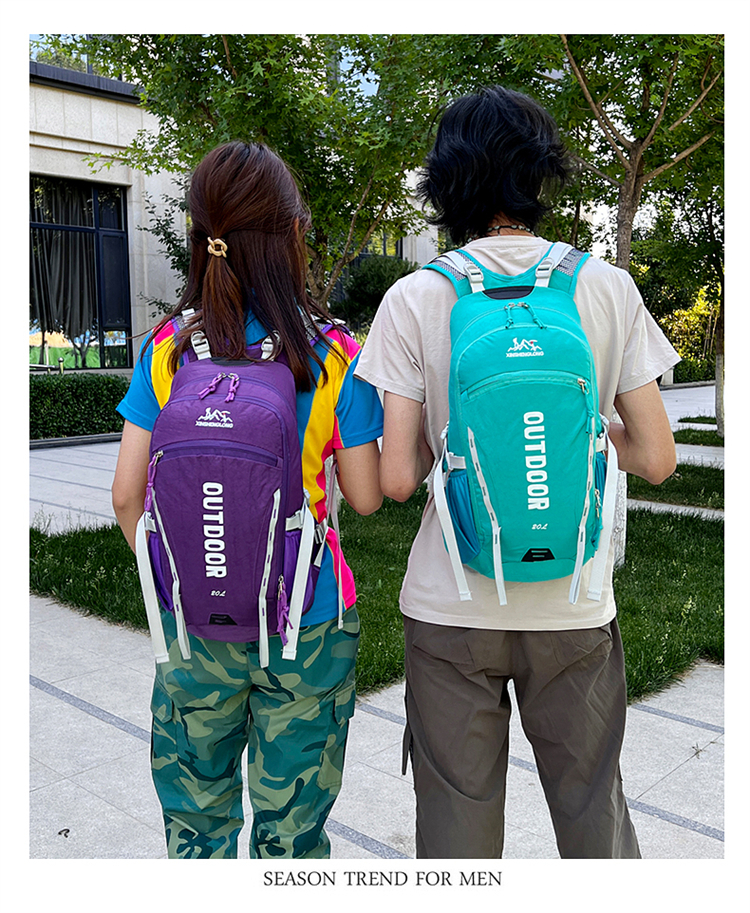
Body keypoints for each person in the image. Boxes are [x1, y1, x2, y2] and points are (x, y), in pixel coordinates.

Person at [355, 85, 679, 859]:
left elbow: (396, 479)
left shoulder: (415, 296)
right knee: (594, 817)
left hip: (451, 603)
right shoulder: (604, 286)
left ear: (446, 180)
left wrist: (456, 439)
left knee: (458, 837)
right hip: (573, 600)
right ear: (540, 173)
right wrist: (587, 433)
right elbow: (657, 457)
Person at [112, 141, 384, 859]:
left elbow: (126, 498)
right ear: (292, 233)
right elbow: (363, 497)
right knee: (292, 833)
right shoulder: (333, 353)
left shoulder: (169, 350)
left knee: (196, 828)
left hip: (195, 624)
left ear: (202, 236)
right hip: (308, 621)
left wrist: (190, 575)